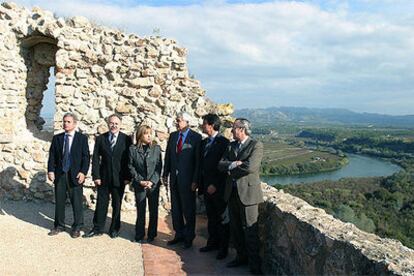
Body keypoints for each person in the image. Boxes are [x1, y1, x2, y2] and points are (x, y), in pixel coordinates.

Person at [218, 118, 264, 274]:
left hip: (249, 194)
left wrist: (232, 167)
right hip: (232, 193)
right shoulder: (231, 146)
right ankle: (240, 257)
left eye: (234, 128)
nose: (231, 131)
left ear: (242, 129)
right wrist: (232, 164)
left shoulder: (256, 145)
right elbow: (221, 164)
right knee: (236, 229)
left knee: (251, 230)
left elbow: (251, 167)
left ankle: (255, 265)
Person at [84, 114, 132, 239]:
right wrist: (96, 176)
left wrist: (128, 177)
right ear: (108, 124)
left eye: (116, 123)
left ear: (120, 125)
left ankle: (114, 229)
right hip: (103, 177)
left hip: (119, 178)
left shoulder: (126, 139)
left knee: (116, 205)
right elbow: (95, 158)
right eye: (111, 123)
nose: (114, 125)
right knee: (101, 204)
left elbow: (128, 160)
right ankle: (97, 228)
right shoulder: (101, 138)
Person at [47, 113, 90, 238]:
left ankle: (77, 227)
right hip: (60, 174)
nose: (65, 124)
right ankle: (59, 226)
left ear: (74, 124)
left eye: (68, 122)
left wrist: (83, 172)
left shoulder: (82, 138)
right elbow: (52, 156)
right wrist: (50, 170)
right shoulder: (57, 138)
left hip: (75, 175)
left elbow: (86, 157)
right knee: (59, 202)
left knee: (76, 202)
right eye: (64, 121)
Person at [163, 112, 202, 249]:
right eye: (176, 120)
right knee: (176, 209)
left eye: (179, 120)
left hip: (188, 181)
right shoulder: (173, 136)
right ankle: (178, 234)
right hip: (174, 179)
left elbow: (198, 162)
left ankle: (189, 237)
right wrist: (165, 174)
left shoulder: (196, 138)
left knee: (188, 210)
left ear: (187, 122)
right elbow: (168, 156)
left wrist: (195, 180)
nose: (176, 122)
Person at [198, 114, 230, 259]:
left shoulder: (223, 142)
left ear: (211, 125)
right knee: (211, 217)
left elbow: (224, 166)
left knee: (221, 218)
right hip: (206, 187)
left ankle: (223, 249)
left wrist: (215, 184)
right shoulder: (205, 142)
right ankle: (212, 243)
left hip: (218, 188)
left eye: (204, 123)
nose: (202, 125)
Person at [128, 125, 162, 243]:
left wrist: (152, 181)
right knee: (141, 210)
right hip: (140, 184)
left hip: (153, 185)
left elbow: (158, 167)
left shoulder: (156, 148)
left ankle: (152, 234)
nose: (149, 136)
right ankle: (139, 234)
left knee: (153, 210)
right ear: (140, 135)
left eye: (150, 133)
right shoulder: (132, 149)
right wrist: (140, 180)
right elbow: (131, 166)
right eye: (146, 133)